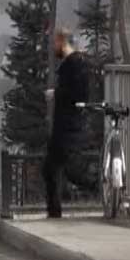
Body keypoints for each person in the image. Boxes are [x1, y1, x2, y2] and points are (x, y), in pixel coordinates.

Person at [43, 27, 91, 219]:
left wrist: (55, 94)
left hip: (67, 127)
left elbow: (77, 94)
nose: (53, 47)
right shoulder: (72, 63)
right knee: (50, 169)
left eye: (54, 42)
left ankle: (55, 211)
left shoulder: (74, 63)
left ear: (62, 42)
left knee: (68, 171)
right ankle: (54, 211)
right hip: (65, 125)